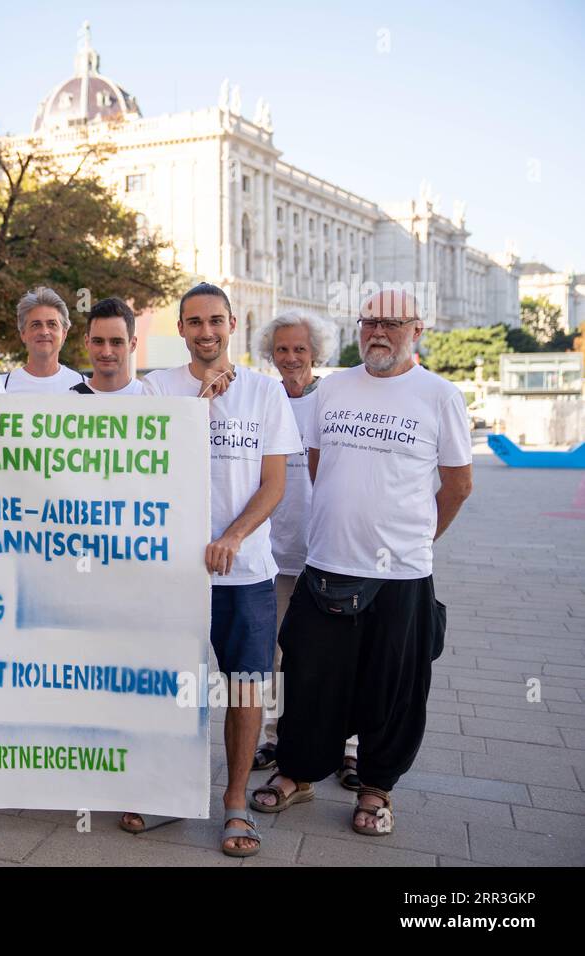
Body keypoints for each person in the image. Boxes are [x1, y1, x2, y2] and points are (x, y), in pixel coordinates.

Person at [250, 290, 472, 837]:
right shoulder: (336, 389)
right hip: (328, 563)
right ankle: (297, 773)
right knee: (307, 676)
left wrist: (418, 539)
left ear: (416, 329)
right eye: (369, 321)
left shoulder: (440, 395)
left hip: (402, 575)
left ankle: (376, 787)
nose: (378, 331)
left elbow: (459, 485)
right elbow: (321, 463)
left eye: (392, 323)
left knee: (391, 688)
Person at [137, 282, 302, 857]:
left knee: (245, 688)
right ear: (180, 329)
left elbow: (275, 483)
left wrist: (232, 537)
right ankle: (169, 796)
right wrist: (199, 406)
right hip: (173, 573)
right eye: (194, 322)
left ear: (232, 323)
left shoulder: (264, 393)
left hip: (247, 572)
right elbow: (147, 464)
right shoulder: (156, 387)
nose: (206, 332)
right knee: (172, 688)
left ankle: (235, 803)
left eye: (215, 321)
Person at [251, 311, 360, 787]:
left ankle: (350, 748)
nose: (291, 358)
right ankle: (275, 737)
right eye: (281, 350)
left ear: (315, 352)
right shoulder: (262, 397)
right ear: (269, 354)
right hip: (273, 553)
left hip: (327, 553)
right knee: (272, 655)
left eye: (299, 349)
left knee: (336, 657)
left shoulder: (334, 399)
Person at [2, 287, 84, 393]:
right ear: (23, 334)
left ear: (64, 333)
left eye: (52, 324)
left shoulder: (83, 387)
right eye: (36, 325)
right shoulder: (2, 387)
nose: (44, 332)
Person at [70, 297, 145, 395]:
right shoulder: (66, 403)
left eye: (116, 342)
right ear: (87, 342)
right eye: (98, 341)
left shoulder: (149, 398)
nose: (106, 352)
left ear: (133, 345)